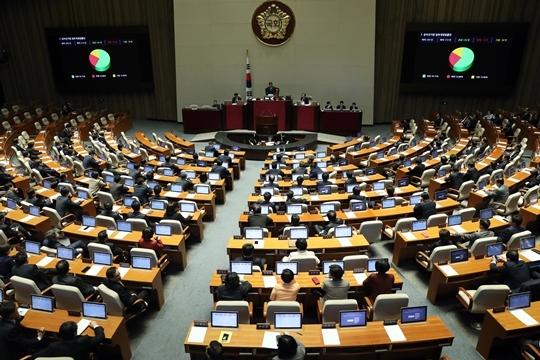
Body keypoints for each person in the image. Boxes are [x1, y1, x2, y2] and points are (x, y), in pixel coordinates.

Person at [33, 320, 104, 360]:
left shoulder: (53, 346)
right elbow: (100, 337)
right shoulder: (83, 341)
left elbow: (35, 356)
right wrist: (95, 325)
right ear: (75, 333)